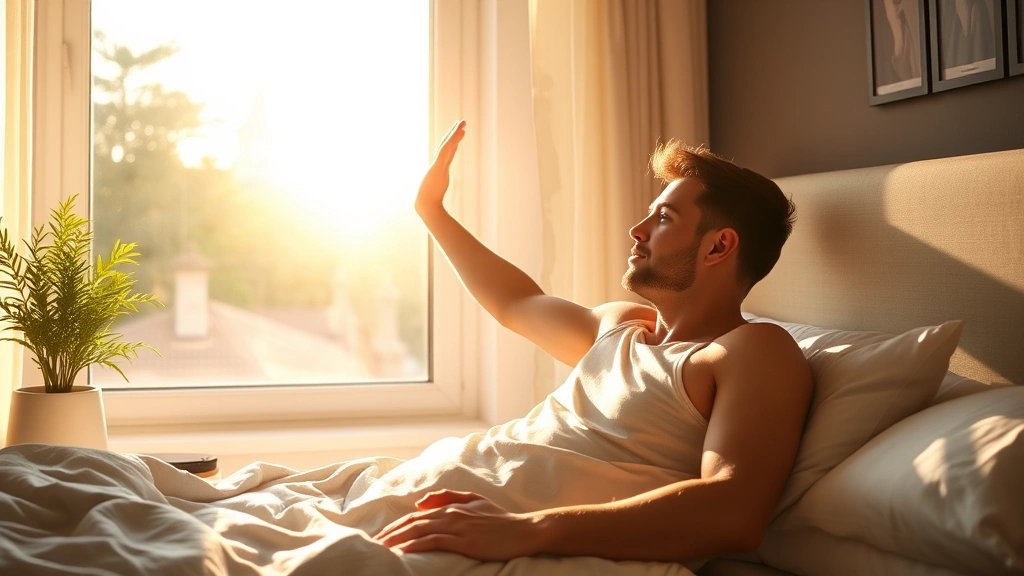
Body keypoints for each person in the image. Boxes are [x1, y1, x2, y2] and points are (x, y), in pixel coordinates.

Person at [373, 121, 812, 566]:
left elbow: (734, 511)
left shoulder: (751, 350)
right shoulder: (621, 324)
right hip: (400, 493)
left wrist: (529, 528)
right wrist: (431, 210)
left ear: (718, 247)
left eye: (664, 218)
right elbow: (516, 302)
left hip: (471, 537)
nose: (636, 229)